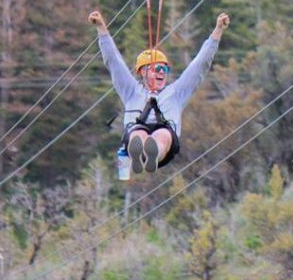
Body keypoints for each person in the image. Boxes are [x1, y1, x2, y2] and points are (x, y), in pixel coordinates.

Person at [89, 10, 230, 174]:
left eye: (164, 69)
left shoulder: (176, 93)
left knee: (163, 133)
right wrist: (101, 28)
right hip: (136, 133)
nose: (162, 72)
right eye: (157, 68)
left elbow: (200, 65)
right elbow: (113, 61)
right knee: (139, 132)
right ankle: (139, 152)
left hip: (166, 143)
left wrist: (218, 31)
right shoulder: (131, 91)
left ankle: (152, 153)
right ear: (142, 72)